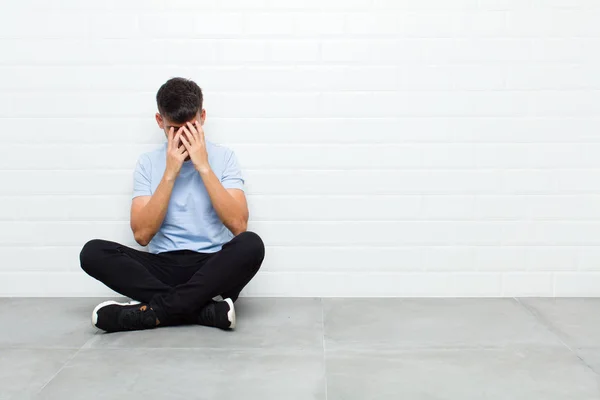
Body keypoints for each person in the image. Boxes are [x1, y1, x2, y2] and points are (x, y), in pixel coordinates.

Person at [79, 77, 265, 333]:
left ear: (202, 117)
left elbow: (238, 225)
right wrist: (170, 173)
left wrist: (203, 166)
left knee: (251, 244)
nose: (184, 140)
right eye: (174, 130)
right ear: (160, 122)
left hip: (212, 269)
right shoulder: (148, 163)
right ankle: (205, 311)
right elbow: (142, 236)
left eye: (191, 129)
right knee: (93, 252)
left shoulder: (224, 157)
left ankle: (154, 312)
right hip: (162, 267)